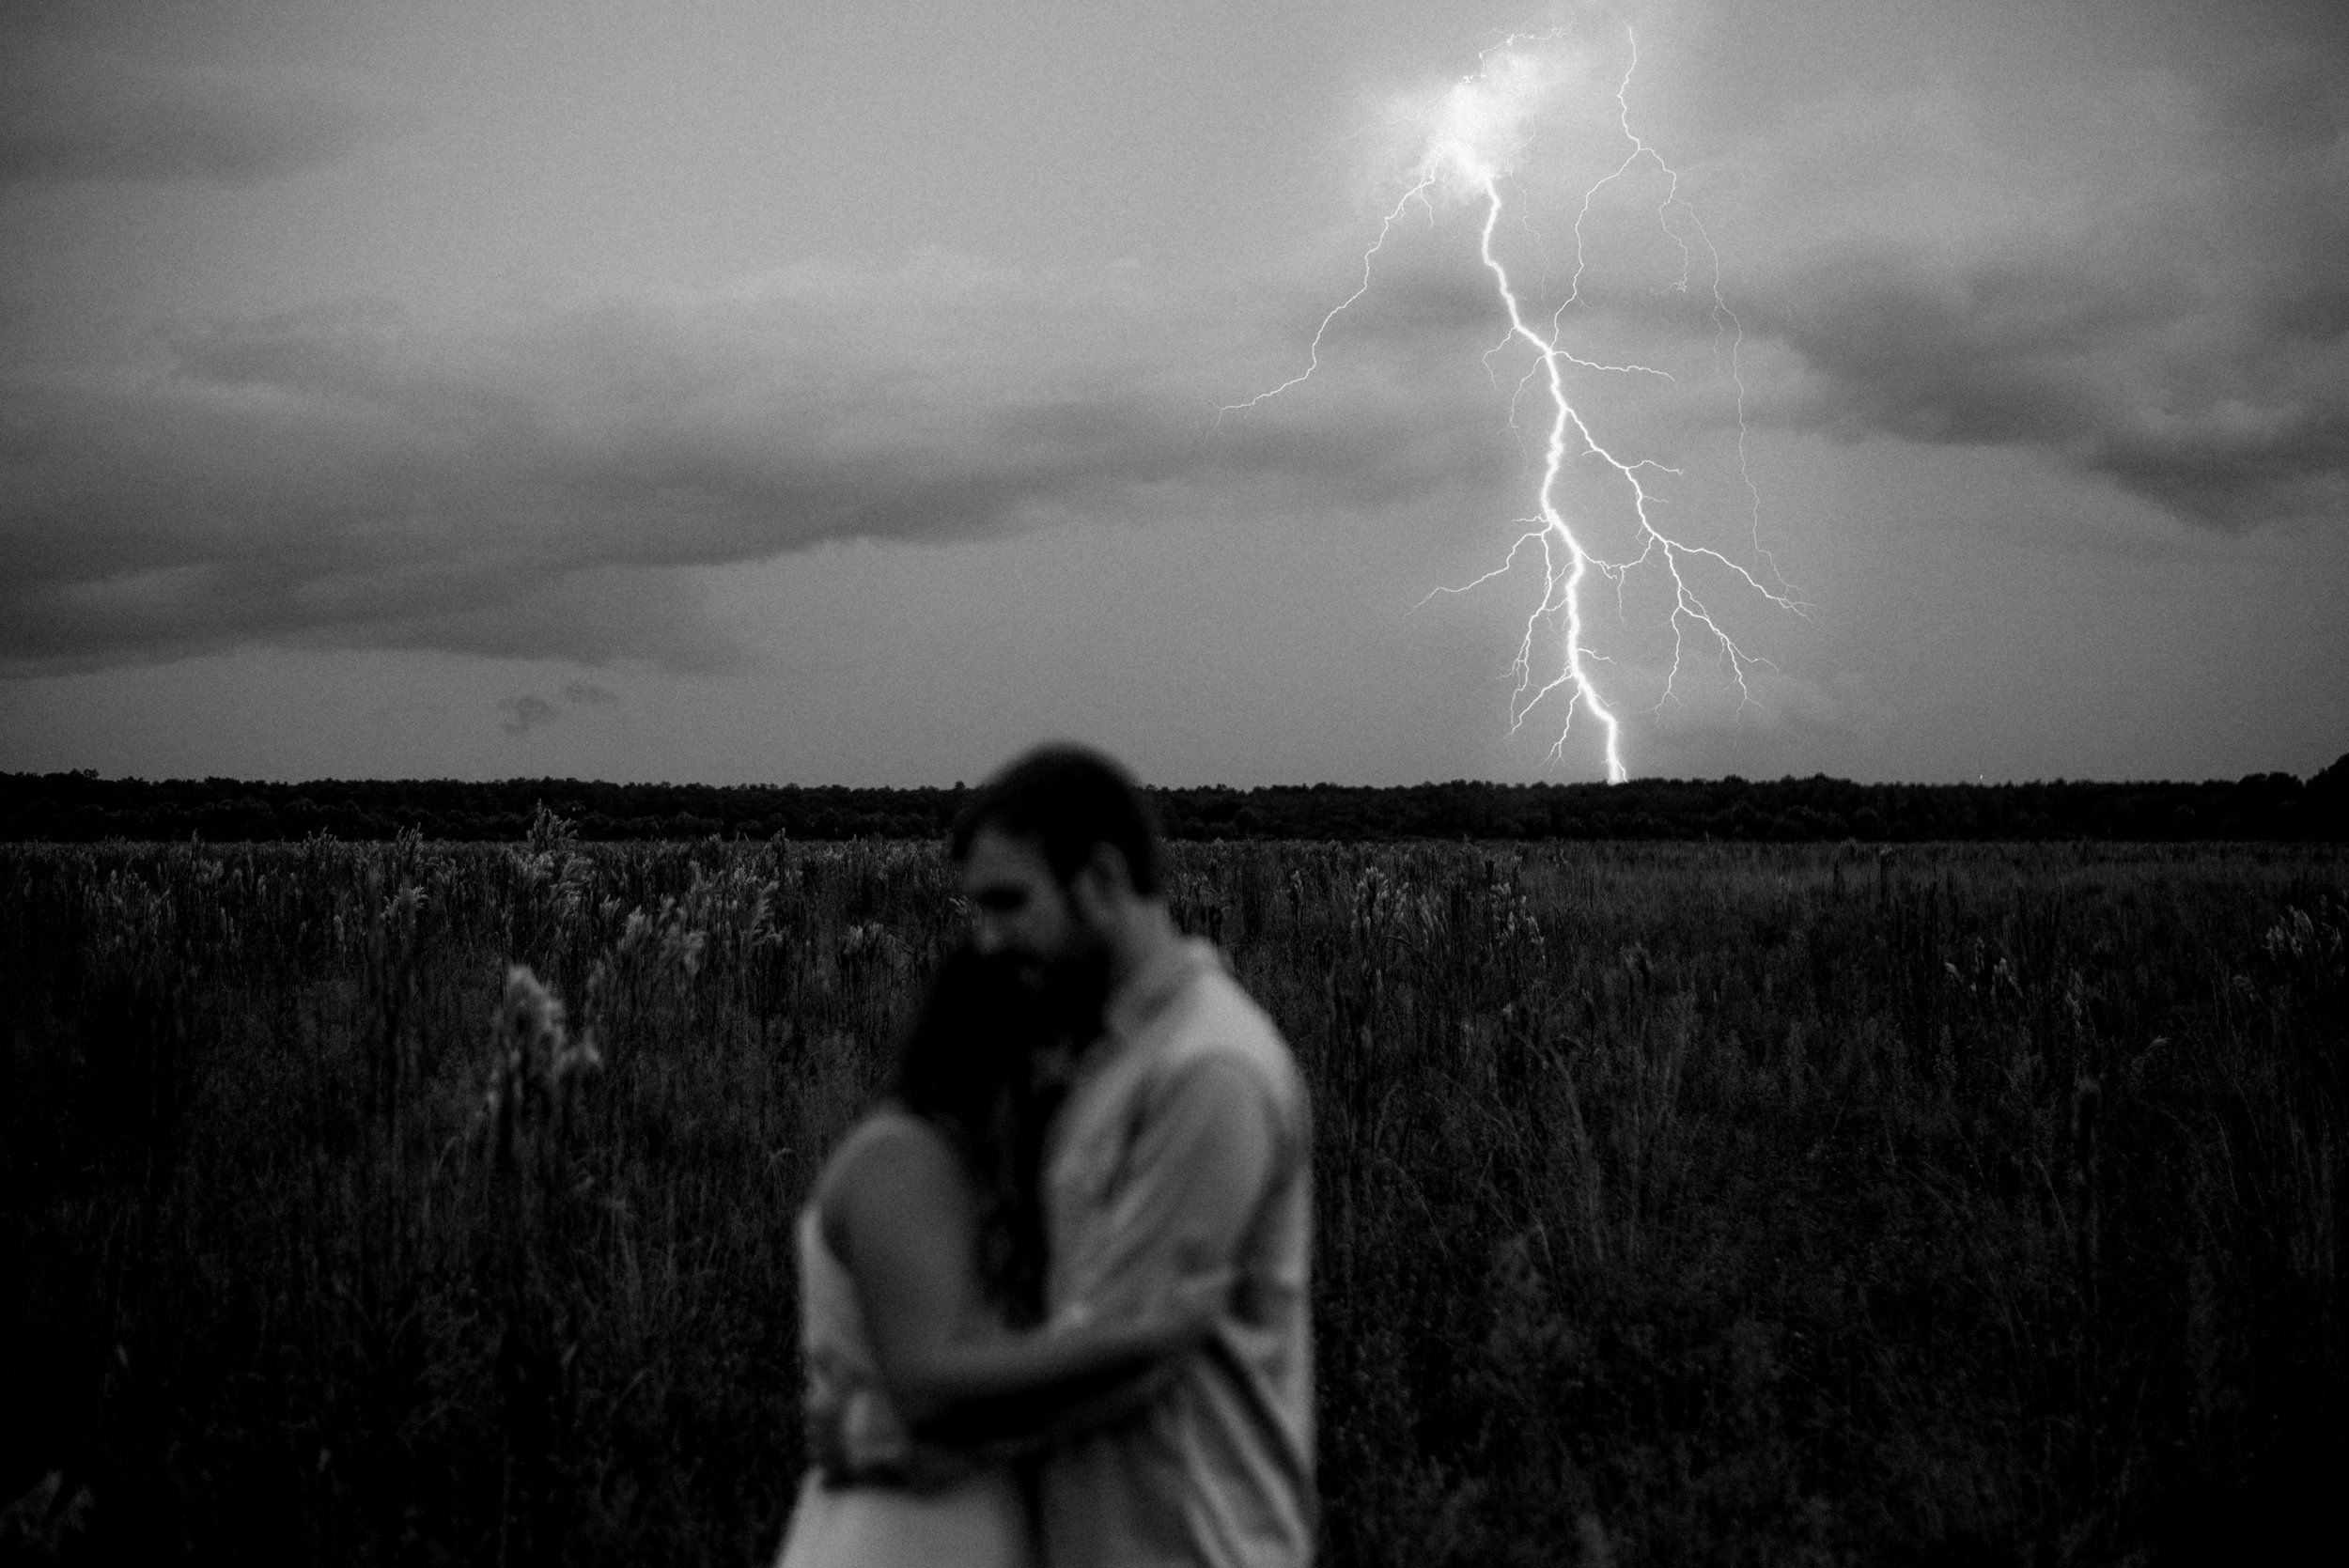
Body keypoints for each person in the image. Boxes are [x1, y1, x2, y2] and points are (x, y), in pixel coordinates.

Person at [944, 743, 1316, 1568]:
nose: (989, 940)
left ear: (1103, 880)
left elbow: (1122, 1355)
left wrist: (920, 1422)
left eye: (1011, 902)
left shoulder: (1208, 1066)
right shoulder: (1105, 1055)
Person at [774, 945, 1227, 1568]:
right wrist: (1136, 1336)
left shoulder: (985, 1177)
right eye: (1060, 1048)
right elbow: (928, 1385)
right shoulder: (904, 1159)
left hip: (969, 1518)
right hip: (905, 1534)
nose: (1074, 1074)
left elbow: (1031, 1396)